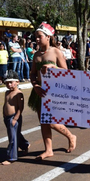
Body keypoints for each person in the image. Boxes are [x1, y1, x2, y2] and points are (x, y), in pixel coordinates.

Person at [29, 22, 77, 159]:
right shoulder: (36, 55)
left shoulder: (56, 52)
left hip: (54, 91)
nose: (37, 39)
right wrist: (35, 86)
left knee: (50, 121)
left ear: (48, 37)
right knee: (43, 122)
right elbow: (32, 74)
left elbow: (67, 72)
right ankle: (48, 149)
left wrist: (54, 67)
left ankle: (70, 135)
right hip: (39, 91)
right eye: (36, 37)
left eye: (39, 36)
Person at [1, 70, 30, 165]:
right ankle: (25, 145)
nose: (9, 85)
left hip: (14, 118)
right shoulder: (7, 93)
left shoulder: (18, 94)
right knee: (16, 134)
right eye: (7, 83)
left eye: (11, 82)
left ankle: (12, 157)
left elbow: (20, 108)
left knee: (12, 137)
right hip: (7, 117)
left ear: (17, 82)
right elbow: (5, 104)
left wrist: (15, 119)